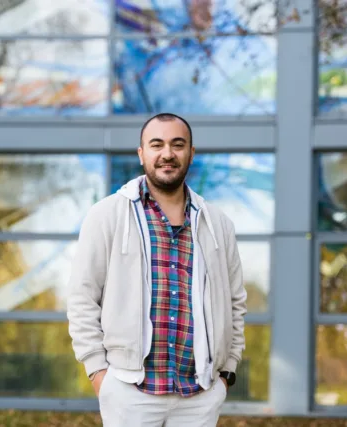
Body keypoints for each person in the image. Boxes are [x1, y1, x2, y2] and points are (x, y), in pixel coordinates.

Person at [67, 112, 247, 426]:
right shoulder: (107, 215)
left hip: (200, 393)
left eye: (178, 145)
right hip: (130, 390)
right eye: (157, 144)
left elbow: (235, 302)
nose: (167, 154)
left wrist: (227, 372)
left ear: (192, 153)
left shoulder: (218, 224)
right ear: (141, 154)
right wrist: (99, 372)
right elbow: (82, 297)